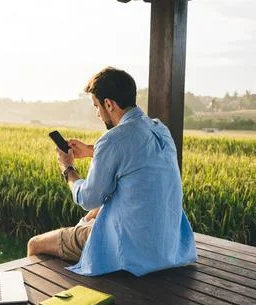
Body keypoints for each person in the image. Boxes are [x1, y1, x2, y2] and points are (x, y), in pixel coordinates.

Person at [27, 67, 197, 276]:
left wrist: (68, 168)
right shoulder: (159, 129)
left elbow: (87, 198)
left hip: (131, 248)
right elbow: (135, 157)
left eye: (96, 106)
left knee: (35, 244)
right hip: (168, 246)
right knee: (93, 215)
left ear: (109, 103)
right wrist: (91, 151)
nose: (98, 113)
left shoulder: (113, 139)